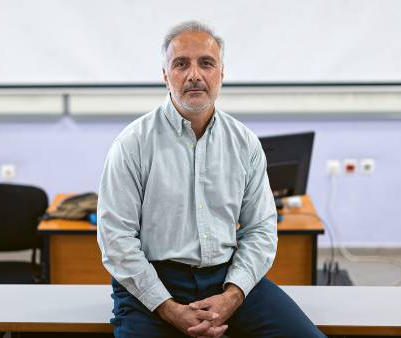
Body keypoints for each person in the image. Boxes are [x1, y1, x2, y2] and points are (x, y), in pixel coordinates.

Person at [97, 21, 326, 338]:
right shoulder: (131, 144)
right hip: (152, 283)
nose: (194, 75)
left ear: (221, 73)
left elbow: (261, 228)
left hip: (226, 277)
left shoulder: (244, 143)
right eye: (181, 64)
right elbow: (116, 239)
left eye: (206, 63)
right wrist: (168, 307)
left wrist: (233, 295)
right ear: (165, 76)